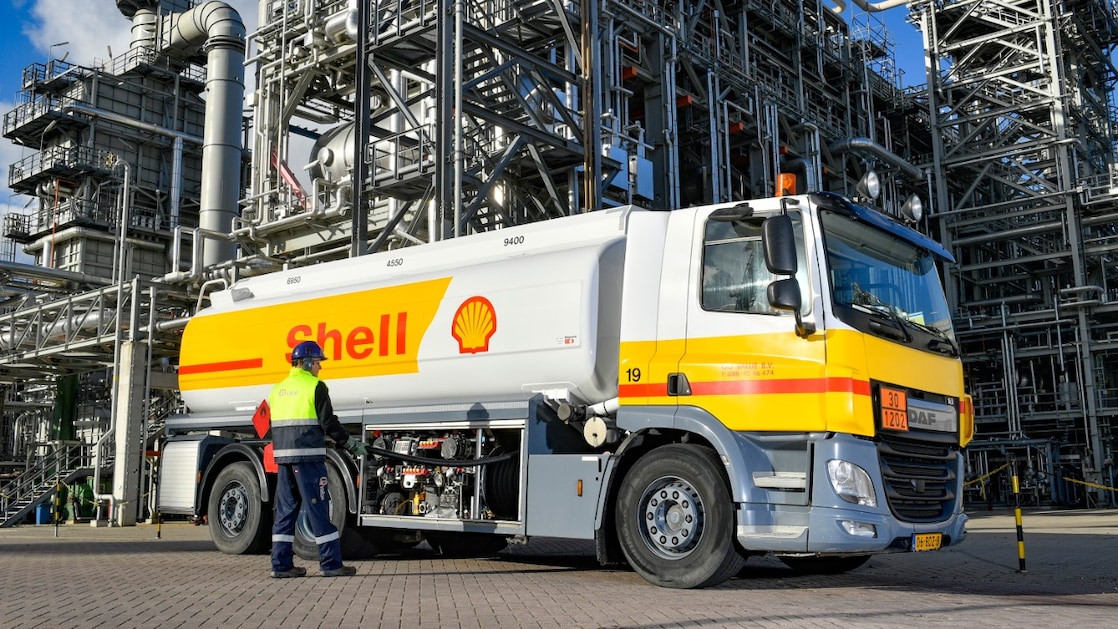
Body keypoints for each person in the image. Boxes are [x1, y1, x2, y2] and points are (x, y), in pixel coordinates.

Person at [267, 340, 368, 578]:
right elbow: (328, 422)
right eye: (317, 362)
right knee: (319, 511)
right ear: (306, 362)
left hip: (283, 459)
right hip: (308, 459)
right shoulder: (315, 386)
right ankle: (331, 564)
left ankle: (281, 566)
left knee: (285, 512)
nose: (320, 367)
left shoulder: (277, 389)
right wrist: (350, 443)